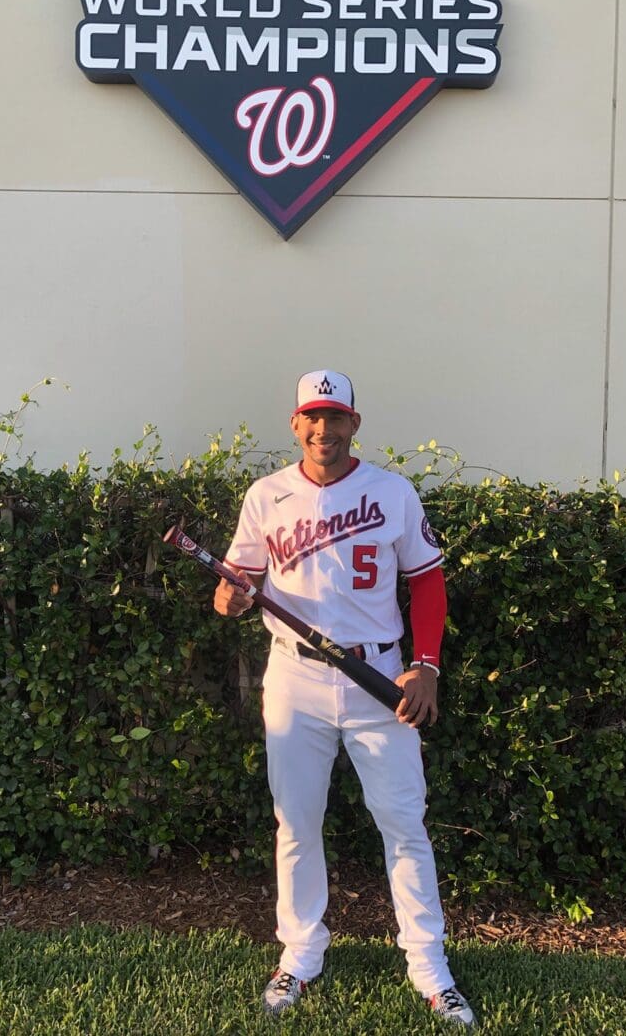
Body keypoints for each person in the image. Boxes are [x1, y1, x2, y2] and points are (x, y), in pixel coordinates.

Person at [214, 370, 475, 1027]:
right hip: (295, 679)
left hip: (378, 679)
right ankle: (299, 955)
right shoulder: (266, 496)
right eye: (312, 418)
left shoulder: (391, 492)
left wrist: (426, 666)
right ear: (295, 424)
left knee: (403, 823)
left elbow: (427, 584)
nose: (323, 430)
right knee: (295, 822)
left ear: (354, 423)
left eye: (335, 418)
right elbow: (238, 581)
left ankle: (429, 965)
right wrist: (230, 596)